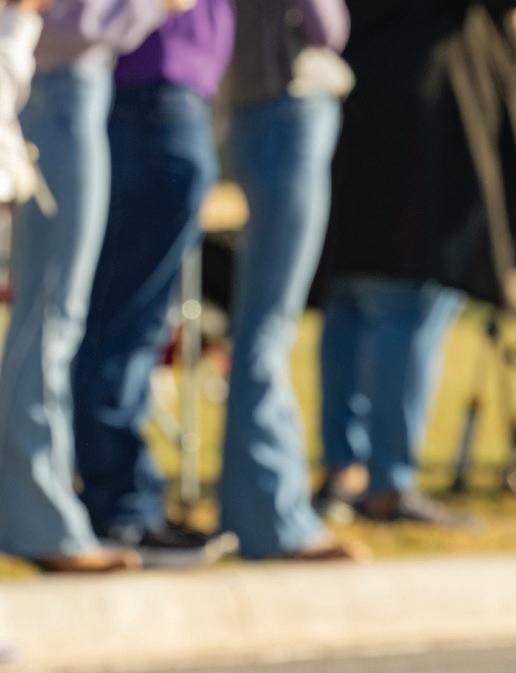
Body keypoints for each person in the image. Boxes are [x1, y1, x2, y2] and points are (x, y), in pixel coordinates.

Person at [314, 0, 516, 525]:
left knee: (352, 301)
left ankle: (345, 472)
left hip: (357, 106)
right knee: (401, 306)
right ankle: (387, 484)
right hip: (422, 128)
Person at [0, 0, 175, 574]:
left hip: (65, 90)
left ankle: (41, 514)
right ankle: (38, 520)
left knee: (56, 317)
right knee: (50, 316)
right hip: (53, 92)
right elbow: (63, 25)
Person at [69, 0, 233, 565]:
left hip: (161, 102)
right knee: (124, 322)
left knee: (129, 320)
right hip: (152, 99)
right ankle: (121, 507)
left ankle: (122, 499)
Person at [218, 0, 355, 560]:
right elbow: (328, 27)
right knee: (267, 331)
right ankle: (275, 519)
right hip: (287, 110)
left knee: (261, 328)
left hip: (256, 111)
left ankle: (251, 512)